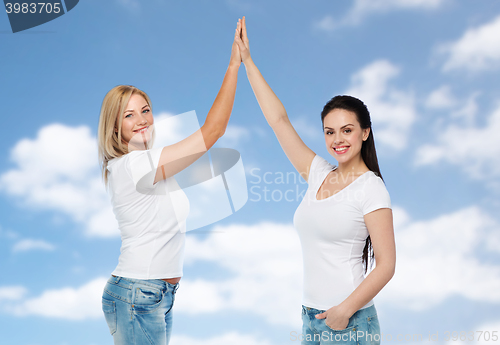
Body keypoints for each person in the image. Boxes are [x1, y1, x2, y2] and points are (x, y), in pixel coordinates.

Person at [234, 17, 395, 345]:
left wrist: (344, 311)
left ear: (365, 133)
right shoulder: (319, 173)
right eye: (330, 131)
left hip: (349, 322)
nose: (338, 139)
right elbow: (278, 121)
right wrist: (248, 62)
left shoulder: (371, 188)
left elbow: (387, 264)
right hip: (311, 317)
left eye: (347, 130)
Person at [96, 20, 243, 345]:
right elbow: (213, 131)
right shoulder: (135, 165)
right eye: (128, 115)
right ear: (114, 127)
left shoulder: (147, 166)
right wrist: (234, 66)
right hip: (139, 291)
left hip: (156, 291)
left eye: (145, 110)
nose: (141, 120)